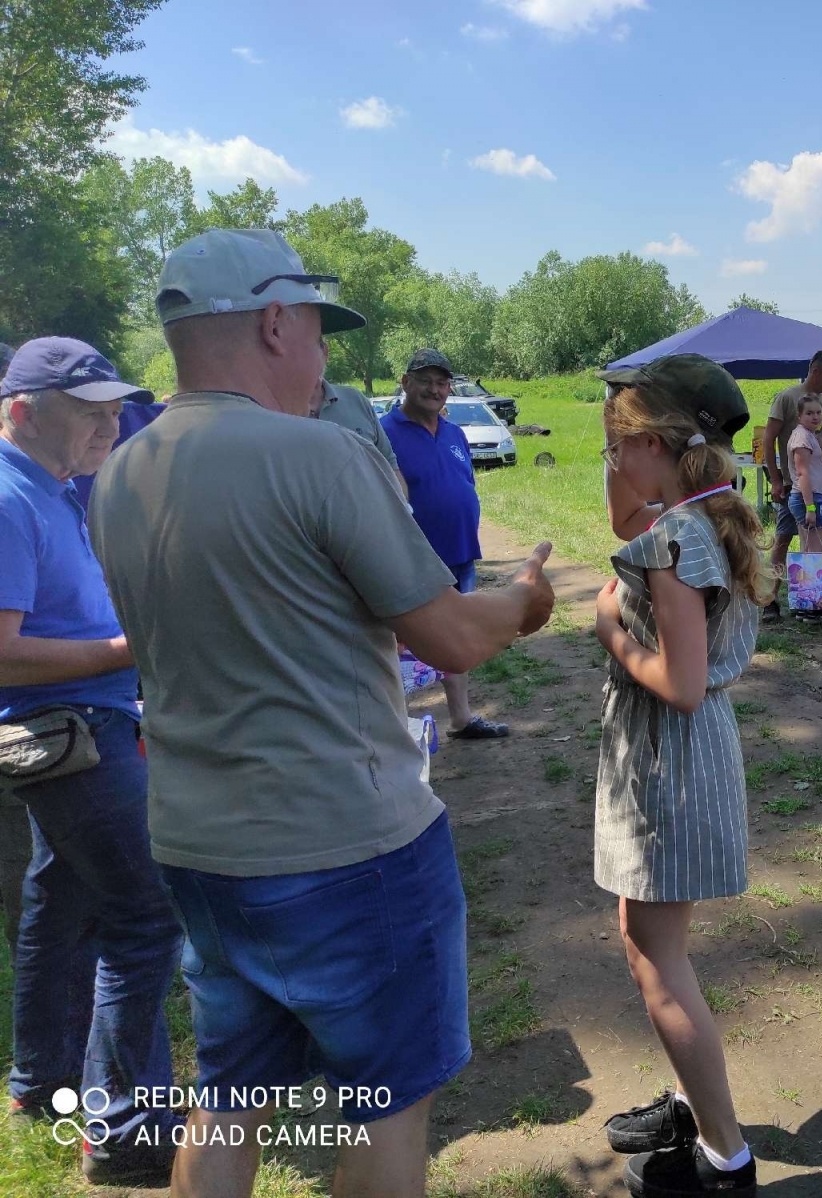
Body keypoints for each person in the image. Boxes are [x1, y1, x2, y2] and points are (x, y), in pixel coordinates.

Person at [89, 228, 557, 1198]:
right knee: (384, 1108)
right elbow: (455, 638)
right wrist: (525, 599)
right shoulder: (319, 457)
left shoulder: (121, 474)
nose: (325, 355)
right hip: (348, 845)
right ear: (271, 322)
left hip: (199, 847)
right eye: (315, 329)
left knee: (228, 1096)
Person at [0, 337, 184, 1187]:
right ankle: (125, 1129)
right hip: (70, 736)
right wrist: (126, 649)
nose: (112, 422)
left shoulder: (54, 487)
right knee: (145, 920)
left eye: (116, 405)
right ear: (24, 411)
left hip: (77, 729)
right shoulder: (10, 495)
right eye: (90, 408)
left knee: (61, 898)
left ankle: (39, 1081)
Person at [589, 354, 767, 1198]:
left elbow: (684, 686)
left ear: (654, 442)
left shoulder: (671, 543)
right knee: (650, 941)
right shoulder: (704, 517)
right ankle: (695, 1104)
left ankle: (725, 1159)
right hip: (677, 763)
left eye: (617, 445)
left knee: (657, 959)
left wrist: (609, 633)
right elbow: (629, 506)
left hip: (670, 760)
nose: (611, 463)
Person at [382, 348, 508, 739]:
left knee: (457, 638)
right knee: (401, 649)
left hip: (459, 552)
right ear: (405, 383)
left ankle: (462, 718)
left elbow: (463, 482)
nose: (434, 390)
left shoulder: (453, 432)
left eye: (441, 383)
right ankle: (394, 730)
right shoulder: (383, 432)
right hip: (413, 560)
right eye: (425, 381)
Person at [760, 350, 822, 621]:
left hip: (821, 485)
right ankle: (769, 598)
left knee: (815, 543)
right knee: (783, 539)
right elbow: (768, 439)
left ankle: (813, 598)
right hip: (795, 486)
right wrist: (776, 478)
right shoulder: (788, 397)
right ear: (814, 371)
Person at [312, 375, 401, 478]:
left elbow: (389, 464)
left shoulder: (355, 399)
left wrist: (400, 494)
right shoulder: (289, 415)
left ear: (326, 358)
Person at [786, 395, 822, 554]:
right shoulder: (802, 437)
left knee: (812, 551)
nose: (815, 417)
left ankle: (809, 578)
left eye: (819, 412)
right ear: (799, 416)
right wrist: (810, 507)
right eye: (809, 413)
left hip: (816, 496)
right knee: (815, 553)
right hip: (809, 498)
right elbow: (802, 473)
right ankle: (811, 579)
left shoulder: (809, 434)